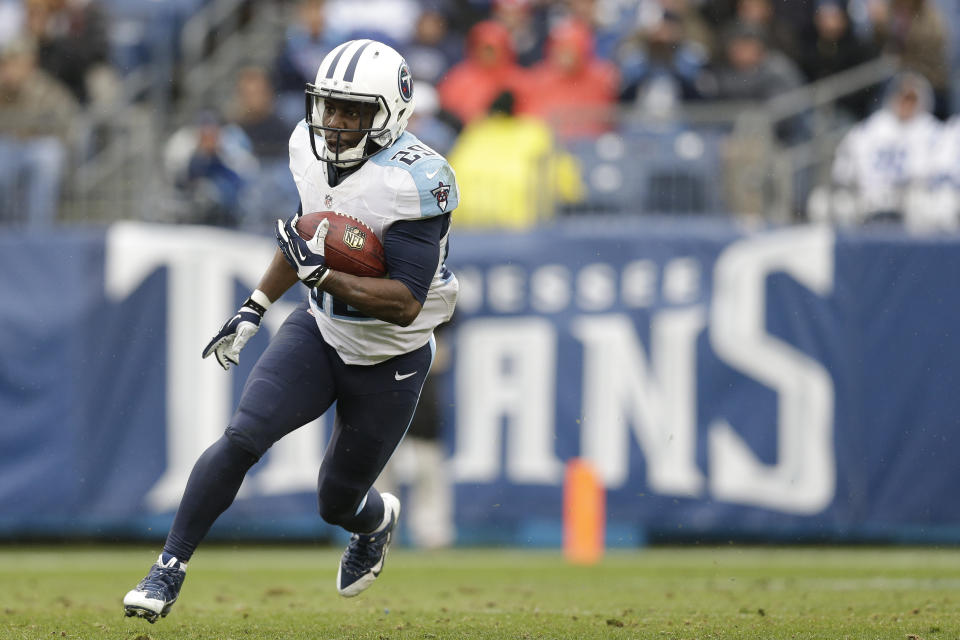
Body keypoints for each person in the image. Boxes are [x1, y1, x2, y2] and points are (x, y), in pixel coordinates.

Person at [122, 39, 460, 623]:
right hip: (322, 330)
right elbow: (305, 238)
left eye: (352, 111)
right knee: (242, 438)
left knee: (337, 501)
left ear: (391, 112)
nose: (334, 122)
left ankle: (376, 521)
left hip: (392, 357)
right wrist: (255, 305)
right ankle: (168, 568)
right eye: (329, 107)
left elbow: (404, 303)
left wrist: (321, 273)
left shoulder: (418, 180)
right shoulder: (305, 145)